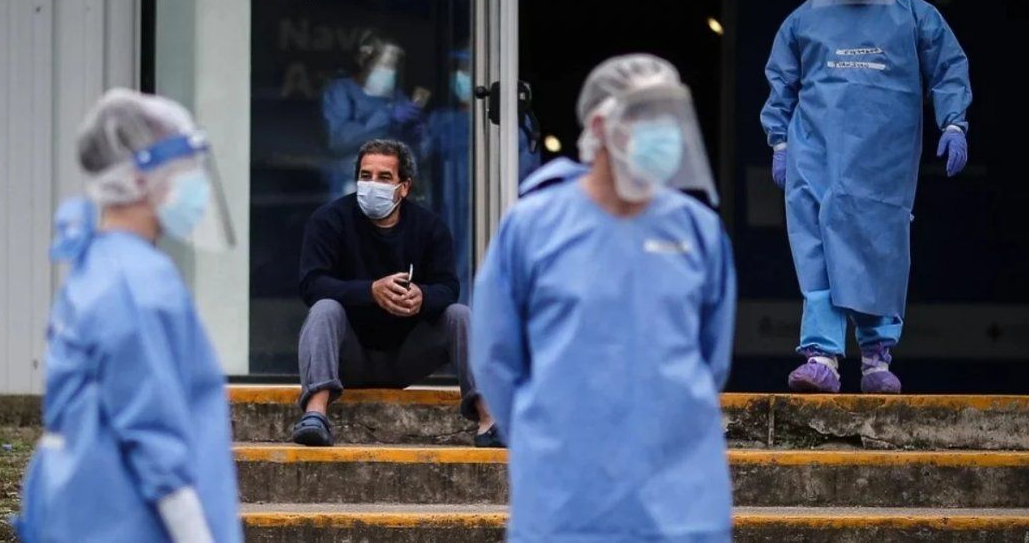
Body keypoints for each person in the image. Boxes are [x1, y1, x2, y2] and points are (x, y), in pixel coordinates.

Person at [471, 54, 736, 542]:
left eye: (670, 119)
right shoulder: (533, 226)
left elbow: (711, 359)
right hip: (565, 498)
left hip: (680, 498)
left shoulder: (696, 230)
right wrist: (551, 431)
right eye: (648, 118)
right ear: (601, 125)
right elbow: (496, 359)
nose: (665, 134)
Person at [14, 89, 242, 543]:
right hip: (129, 520)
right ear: (140, 179)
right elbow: (152, 431)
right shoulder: (139, 284)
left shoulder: (98, 265)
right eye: (183, 172)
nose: (193, 187)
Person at [761, 0, 972, 394]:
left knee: (879, 249)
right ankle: (821, 356)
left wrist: (954, 122)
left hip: (883, 160)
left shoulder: (914, 16)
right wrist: (780, 141)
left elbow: (948, 66)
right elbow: (782, 82)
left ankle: (877, 357)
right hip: (815, 154)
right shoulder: (803, 20)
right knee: (816, 246)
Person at [292, 138, 501, 447]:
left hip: (408, 355)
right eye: (366, 176)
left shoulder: (429, 228)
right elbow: (312, 284)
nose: (372, 185)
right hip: (349, 355)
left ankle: (489, 420)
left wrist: (422, 297)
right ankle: (315, 415)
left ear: (404, 187)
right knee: (324, 309)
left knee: (460, 315)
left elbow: (448, 287)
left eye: (384, 177)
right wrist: (370, 291)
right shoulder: (329, 220)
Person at [424, 48, 542, 303]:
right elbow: (422, 160)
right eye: (457, 71)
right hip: (449, 209)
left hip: (494, 206)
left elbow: (525, 172)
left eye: (467, 71)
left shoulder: (512, 122)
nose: (461, 77)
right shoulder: (440, 120)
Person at [321, 32, 425, 197]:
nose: (391, 71)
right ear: (365, 60)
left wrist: (416, 133)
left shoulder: (397, 98)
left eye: (395, 66)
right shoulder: (341, 91)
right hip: (352, 184)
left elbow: (418, 150)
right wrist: (387, 117)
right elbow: (339, 140)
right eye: (386, 65)